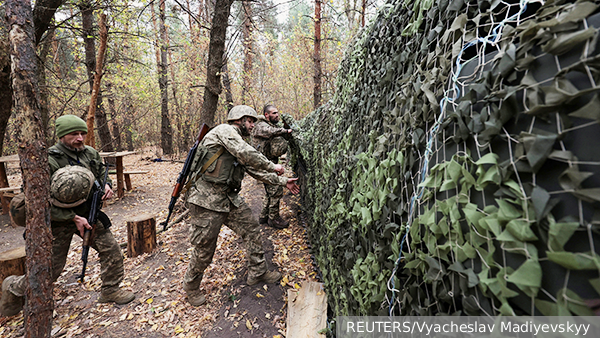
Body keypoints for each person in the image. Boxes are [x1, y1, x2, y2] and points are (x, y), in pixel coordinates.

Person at [0, 115, 135, 317]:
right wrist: (72, 217)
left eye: (82, 133)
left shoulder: (90, 153)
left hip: (88, 213)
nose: (80, 138)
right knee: (51, 270)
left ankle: (110, 289)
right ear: (62, 136)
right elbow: (34, 202)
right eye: (74, 134)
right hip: (57, 220)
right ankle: (13, 287)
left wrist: (107, 186)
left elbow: (100, 175)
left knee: (112, 250)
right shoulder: (48, 159)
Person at [183, 105, 300, 306]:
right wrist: (273, 165)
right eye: (250, 121)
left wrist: (283, 181)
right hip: (206, 201)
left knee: (252, 229)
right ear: (239, 119)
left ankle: (257, 271)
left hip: (228, 198)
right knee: (204, 250)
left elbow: (253, 169)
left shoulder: (237, 140)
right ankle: (191, 288)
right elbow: (246, 153)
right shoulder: (225, 132)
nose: (253, 125)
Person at [252, 104, 293, 229]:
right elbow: (270, 132)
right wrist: (286, 131)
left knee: (270, 191)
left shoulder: (271, 125)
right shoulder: (260, 125)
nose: (277, 115)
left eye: (277, 112)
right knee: (275, 189)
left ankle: (264, 216)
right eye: (274, 113)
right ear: (266, 115)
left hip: (269, 162)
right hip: (264, 164)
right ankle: (274, 219)